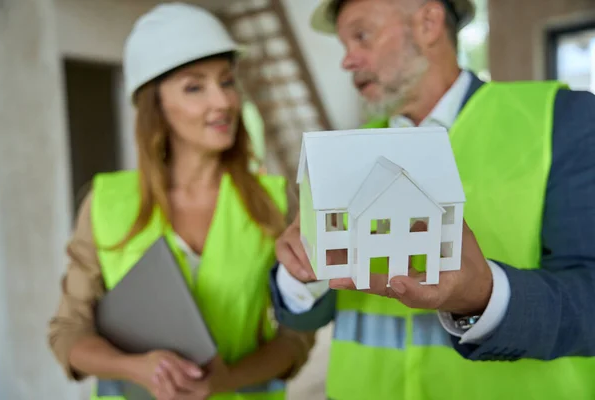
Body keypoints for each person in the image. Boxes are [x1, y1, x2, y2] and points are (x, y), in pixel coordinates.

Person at [269, 0, 595, 399]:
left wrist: (485, 296)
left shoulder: (561, 121)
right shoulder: (343, 150)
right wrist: (300, 273)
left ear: (427, 23)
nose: (348, 61)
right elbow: (309, 317)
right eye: (344, 45)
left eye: (361, 36)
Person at [47, 3, 315, 400]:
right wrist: (135, 368)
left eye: (226, 82)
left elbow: (298, 337)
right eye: (195, 87)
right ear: (157, 107)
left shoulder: (274, 201)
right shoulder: (105, 203)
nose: (222, 102)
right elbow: (68, 332)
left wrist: (227, 379)